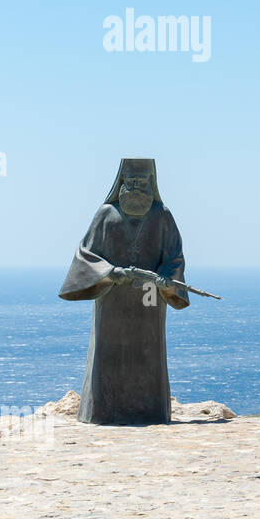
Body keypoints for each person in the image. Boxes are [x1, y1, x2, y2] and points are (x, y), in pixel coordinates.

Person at [58, 158, 189, 424]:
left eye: (143, 181)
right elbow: (85, 255)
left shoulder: (162, 216)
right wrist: (111, 273)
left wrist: (166, 278)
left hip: (150, 298)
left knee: (148, 352)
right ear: (122, 181)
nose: (137, 186)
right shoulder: (105, 214)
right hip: (112, 298)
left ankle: (150, 411)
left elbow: (175, 256)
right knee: (109, 353)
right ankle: (104, 411)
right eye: (132, 181)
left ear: (152, 182)